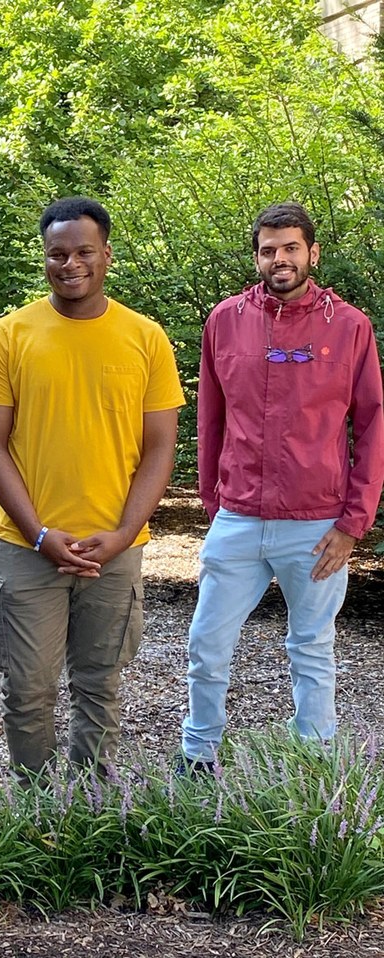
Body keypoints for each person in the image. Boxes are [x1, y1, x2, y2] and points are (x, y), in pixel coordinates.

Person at [0, 196, 184, 778]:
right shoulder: (10, 335)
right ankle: (37, 812)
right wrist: (39, 534)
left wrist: (123, 534)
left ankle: (89, 811)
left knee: (100, 688)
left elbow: (160, 447)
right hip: (27, 547)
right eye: (57, 254)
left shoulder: (145, 337)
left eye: (84, 252)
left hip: (114, 551)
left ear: (107, 254)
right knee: (28, 691)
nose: (70, 264)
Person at [179, 202, 384, 771]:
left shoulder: (349, 327)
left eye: (291, 248)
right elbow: (211, 419)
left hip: (318, 524)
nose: (280, 259)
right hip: (239, 518)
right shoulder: (225, 320)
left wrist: (353, 524)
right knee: (206, 646)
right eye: (269, 250)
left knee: (312, 648)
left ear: (312, 253)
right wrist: (213, 500)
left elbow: (371, 424)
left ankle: (314, 765)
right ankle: (197, 757)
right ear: (257, 256)